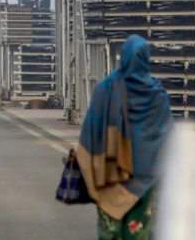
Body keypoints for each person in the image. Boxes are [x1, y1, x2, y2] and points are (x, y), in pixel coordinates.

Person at [76, 35, 173, 239]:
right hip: (147, 180)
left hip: (110, 176)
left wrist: (88, 167)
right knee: (139, 232)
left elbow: (90, 132)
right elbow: (168, 140)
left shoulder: (106, 89)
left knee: (111, 232)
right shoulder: (157, 95)